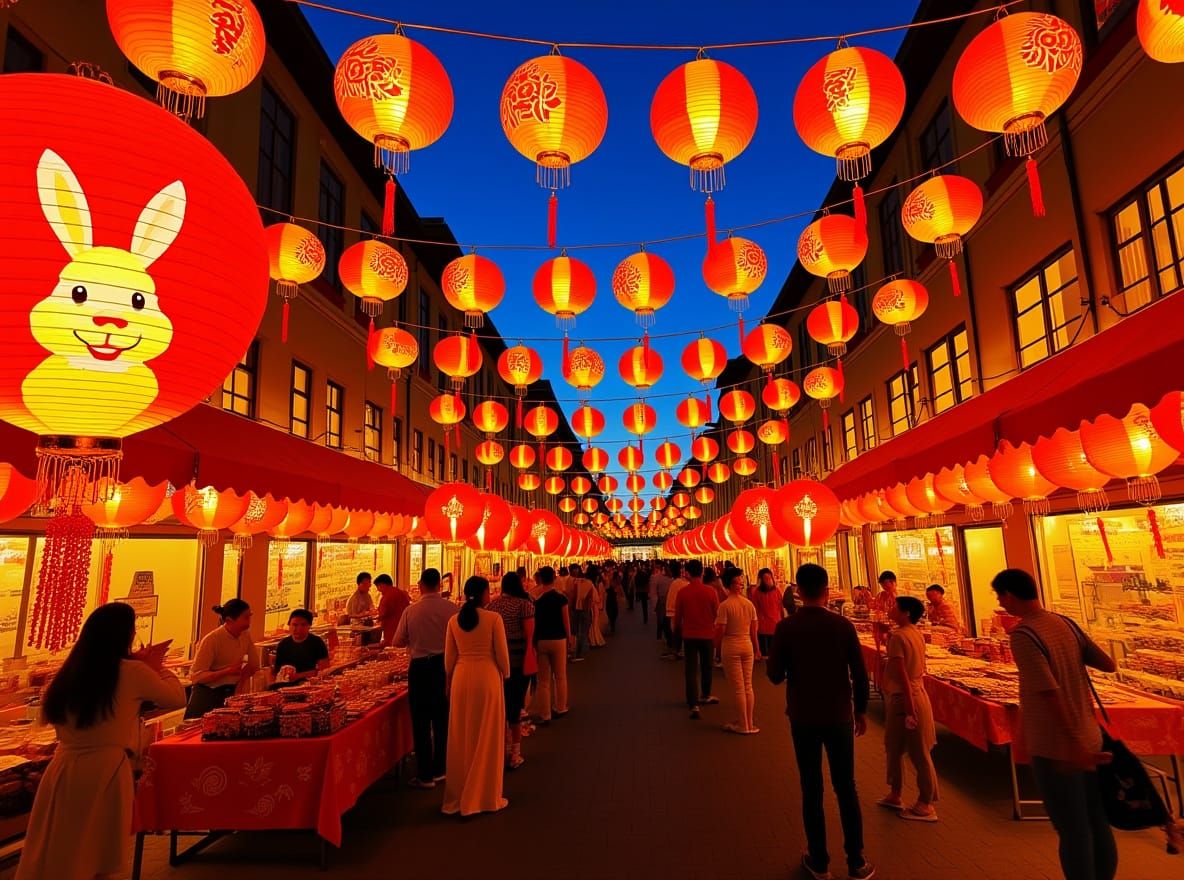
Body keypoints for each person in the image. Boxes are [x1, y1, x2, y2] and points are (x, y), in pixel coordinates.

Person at [16, 603, 186, 880]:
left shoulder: (70, 672)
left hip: (63, 769)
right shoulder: (132, 671)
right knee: (96, 851)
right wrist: (158, 668)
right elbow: (176, 698)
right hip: (105, 769)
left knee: (61, 849)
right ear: (126, 635)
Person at [994, 569, 1117, 880]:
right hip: (1090, 735)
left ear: (1010, 595)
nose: (1000, 603)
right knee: (1096, 820)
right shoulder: (1065, 623)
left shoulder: (1024, 635)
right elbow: (1108, 663)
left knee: (1072, 828)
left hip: (1058, 745)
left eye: (1000, 596)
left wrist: (1072, 742)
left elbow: (1048, 692)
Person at [767, 564, 874, 880]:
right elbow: (860, 673)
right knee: (846, 786)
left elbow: (774, 675)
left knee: (811, 787)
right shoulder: (843, 626)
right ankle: (856, 861)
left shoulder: (787, 628)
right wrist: (861, 711)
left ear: (798, 592)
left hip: (803, 716)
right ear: (826, 592)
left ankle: (819, 860)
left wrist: (793, 668)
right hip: (839, 715)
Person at [443, 576, 511, 816]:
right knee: (487, 734)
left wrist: (450, 679)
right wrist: (506, 673)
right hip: (487, 677)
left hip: (461, 678)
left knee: (461, 734)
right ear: (484, 594)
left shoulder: (454, 621)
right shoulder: (493, 619)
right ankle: (484, 795)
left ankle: (459, 793)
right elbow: (502, 655)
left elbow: (448, 660)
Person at [393, 568, 456, 789]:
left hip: (419, 668)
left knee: (420, 721)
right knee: (442, 718)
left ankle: (425, 774)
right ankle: (441, 769)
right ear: (439, 584)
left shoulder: (411, 611)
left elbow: (398, 641)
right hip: (444, 666)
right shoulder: (452, 609)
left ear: (420, 585)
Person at [878, 596, 939, 821]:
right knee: (894, 745)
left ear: (906, 613)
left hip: (906, 697)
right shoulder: (913, 633)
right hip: (913, 693)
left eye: (896, 607)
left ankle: (926, 802)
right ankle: (895, 793)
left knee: (918, 751)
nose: (891, 609)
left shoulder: (898, 637)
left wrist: (910, 707)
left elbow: (902, 673)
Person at [487, 572, 536, 770]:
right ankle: (515, 752)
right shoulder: (525, 605)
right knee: (515, 705)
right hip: (518, 660)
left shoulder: (492, 605)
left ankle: (502, 748)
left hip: (497, 661)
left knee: (501, 705)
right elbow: (530, 635)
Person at [185, 598, 258, 718]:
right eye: (245, 618)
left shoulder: (245, 635)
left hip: (231, 692)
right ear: (229, 620)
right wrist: (227, 671)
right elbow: (196, 676)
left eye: (249, 617)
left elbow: (254, 665)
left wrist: (240, 685)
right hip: (208, 695)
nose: (249, 621)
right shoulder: (212, 640)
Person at [715, 567, 760, 734]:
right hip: (747, 645)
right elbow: (754, 630)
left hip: (731, 646)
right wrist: (757, 649)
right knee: (748, 685)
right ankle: (749, 722)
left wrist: (716, 648)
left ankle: (742, 724)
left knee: (738, 688)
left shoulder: (725, 606)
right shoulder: (749, 604)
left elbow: (721, 630)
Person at [674, 560, 720, 720]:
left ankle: (693, 703)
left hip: (689, 635)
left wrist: (676, 633)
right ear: (702, 573)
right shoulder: (711, 592)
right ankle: (705, 694)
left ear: (687, 573)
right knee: (707, 666)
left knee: (691, 669)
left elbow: (678, 617)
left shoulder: (682, 593)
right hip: (707, 635)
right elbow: (717, 613)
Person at [531, 566, 570, 724]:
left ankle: (545, 714)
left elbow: (533, 623)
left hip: (542, 640)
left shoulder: (536, 600)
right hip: (559, 639)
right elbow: (566, 620)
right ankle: (561, 707)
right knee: (560, 676)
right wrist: (569, 637)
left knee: (543, 680)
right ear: (554, 578)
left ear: (540, 579)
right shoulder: (561, 598)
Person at [272, 609, 329, 683]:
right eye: (294, 625)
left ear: (309, 626)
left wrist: (298, 676)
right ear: (289, 625)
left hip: (310, 684)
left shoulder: (317, 643)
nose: (298, 629)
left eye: (303, 625)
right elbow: (276, 672)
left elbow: (324, 671)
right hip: (286, 685)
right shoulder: (283, 645)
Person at [750, 568, 785, 659]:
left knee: (775, 653)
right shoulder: (757, 593)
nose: (769, 580)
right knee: (765, 654)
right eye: (766, 578)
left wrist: (782, 621)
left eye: (770, 578)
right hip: (763, 627)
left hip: (776, 625)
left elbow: (780, 607)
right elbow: (754, 611)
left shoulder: (777, 591)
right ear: (761, 580)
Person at [376, 574, 411, 647]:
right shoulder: (400, 592)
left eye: (378, 586)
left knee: (392, 649)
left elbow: (382, 613)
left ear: (382, 584)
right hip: (404, 628)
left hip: (392, 629)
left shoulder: (387, 595)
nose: (378, 589)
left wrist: (377, 619)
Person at [570, 563, 595, 660]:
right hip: (585, 608)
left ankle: (572, 651)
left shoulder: (573, 582)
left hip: (574, 608)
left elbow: (572, 595)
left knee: (574, 631)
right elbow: (592, 597)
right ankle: (579, 653)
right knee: (583, 631)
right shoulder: (589, 583)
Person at [665, 562, 688, 659]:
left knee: (677, 631)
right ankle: (680, 650)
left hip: (677, 612)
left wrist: (670, 612)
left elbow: (671, 600)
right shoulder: (684, 583)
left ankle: (678, 651)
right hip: (685, 614)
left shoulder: (676, 583)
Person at [652, 562, 673, 654]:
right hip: (668, 600)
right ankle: (667, 638)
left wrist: (654, 604)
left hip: (661, 601)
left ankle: (660, 636)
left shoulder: (658, 579)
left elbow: (654, 592)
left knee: (661, 619)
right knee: (667, 620)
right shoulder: (672, 580)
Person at [605, 567, 620, 634]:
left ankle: (612, 623)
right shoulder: (610, 581)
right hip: (611, 598)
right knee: (613, 612)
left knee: (613, 612)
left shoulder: (615, 582)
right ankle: (612, 624)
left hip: (611, 598)